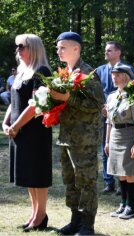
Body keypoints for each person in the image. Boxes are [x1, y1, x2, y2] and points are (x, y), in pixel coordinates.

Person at [50, 32, 104, 235]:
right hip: (67, 136)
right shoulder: (65, 72)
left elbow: (97, 104)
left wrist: (68, 98)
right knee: (71, 180)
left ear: (76, 48)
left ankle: (87, 225)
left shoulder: (89, 72)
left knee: (86, 180)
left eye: (62, 47)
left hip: (85, 138)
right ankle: (75, 220)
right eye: (58, 47)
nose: (58, 50)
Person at [2, 34, 52, 232]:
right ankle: (34, 214)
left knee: (37, 175)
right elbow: (14, 102)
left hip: (34, 131)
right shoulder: (22, 72)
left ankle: (41, 216)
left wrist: (16, 125)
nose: (18, 51)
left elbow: (35, 106)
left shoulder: (42, 71)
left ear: (33, 48)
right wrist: (7, 123)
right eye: (17, 47)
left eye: (22, 47)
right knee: (29, 175)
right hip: (19, 131)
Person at [105, 64, 134, 219]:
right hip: (115, 134)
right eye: (113, 74)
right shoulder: (112, 96)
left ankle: (131, 206)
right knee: (119, 172)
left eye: (117, 74)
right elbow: (108, 121)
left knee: (129, 172)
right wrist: (107, 142)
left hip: (129, 135)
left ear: (126, 77)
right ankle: (123, 203)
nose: (114, 77)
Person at [96, 41, 134, 194]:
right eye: (106, 50)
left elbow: (132, 90)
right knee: (105, 147)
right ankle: (108, 181)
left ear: (118, 52)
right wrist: (101, 107)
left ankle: (121, 182)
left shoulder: (127, 69)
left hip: (123, 116)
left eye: (109, 50)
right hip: (105, 114)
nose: (106, 53)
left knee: (120, 149)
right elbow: (95, 91)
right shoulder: (99, 70)